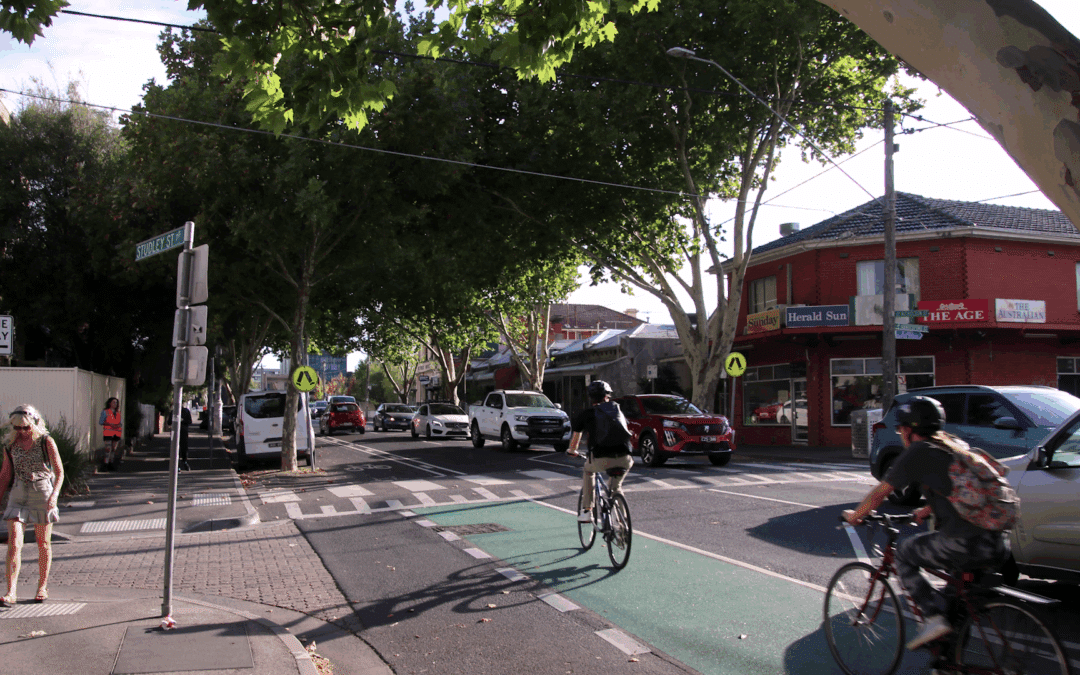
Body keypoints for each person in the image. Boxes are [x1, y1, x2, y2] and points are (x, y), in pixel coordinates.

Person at [843, 396, 1009, 650]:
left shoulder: (918, 452)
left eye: (900, 429)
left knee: (906, 553)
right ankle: (950, 660)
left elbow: (880, 493)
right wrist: (928, 509)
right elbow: (961, 491)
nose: (900, 434)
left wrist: (856, 516)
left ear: (908, 429)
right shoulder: (954, 446)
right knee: (957, 609)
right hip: (995, 542)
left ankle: (932, 617)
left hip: (963, 543)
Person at [0, 405, 64, 605]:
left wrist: (53, 496)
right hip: (18, 493)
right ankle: (11, 592)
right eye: (17, 428)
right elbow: (5, 474)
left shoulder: (46, 442)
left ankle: (42, 587)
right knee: (14, 544)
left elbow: (59, 472)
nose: (21, 432)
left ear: (35, 424)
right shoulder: (10, 445)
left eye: (25, 428)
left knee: (43, 544)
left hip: (42, 491)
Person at [566, 380, 633, 523]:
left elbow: (576, 438)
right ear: (607, 396)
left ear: (591, 397)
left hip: (600, 458)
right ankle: (622, 523)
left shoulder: (587, 414)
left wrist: (572, 450)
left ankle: (587, 511)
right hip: (625, 457)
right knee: (616, 488)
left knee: (588, 471)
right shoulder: (618, 410)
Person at [98, 397, 122, 471]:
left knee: (113, 449)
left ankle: (111, 463)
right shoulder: (105, 412)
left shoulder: (118, 412)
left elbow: (119, 422)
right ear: (109, 403)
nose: (115, 404)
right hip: (108, 433)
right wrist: (110, 424)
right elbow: (101, 422)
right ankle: (106, 464)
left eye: (116, 402)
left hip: (116, 433)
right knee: (108, 449)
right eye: (113, 402)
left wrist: (119, 425)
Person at [179, 407, 192, 472]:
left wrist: (182, 420)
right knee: (176, 449)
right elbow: (169, 422)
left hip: (183, 432)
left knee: (184, 448)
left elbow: (190, 421)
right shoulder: (173, 412)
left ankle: (185, 462)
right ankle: (178, 465)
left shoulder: (186, 411)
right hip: (175, 434)